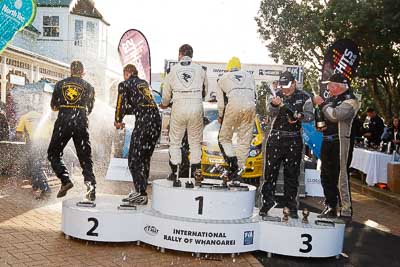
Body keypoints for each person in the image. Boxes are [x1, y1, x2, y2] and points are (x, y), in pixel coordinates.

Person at [260, 71, 313, 218]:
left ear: (294, 83)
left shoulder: (305, 97)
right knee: (270, 173)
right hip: (276, 137)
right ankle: (267, 203)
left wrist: (300, 116)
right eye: (283, 86)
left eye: (288, 86)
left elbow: (310, 116)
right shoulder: (275, 94)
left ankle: (292, 206)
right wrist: (273, 104)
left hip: (294, 139)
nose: (285, 89)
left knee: (292, 175)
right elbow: (269, 112)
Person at [47, 61, 96, 201]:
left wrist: (66, 107)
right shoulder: (89, 87)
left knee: (53, 153)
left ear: (71, 70)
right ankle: (91, 190)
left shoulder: (60, 84)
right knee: (85, 157)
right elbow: (90, 109)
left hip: (63, 121)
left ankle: (65, 179)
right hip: (80, 121)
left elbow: (54, 106)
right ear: (83, 71)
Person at [314, 73, 360, 219]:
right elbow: (326, 118)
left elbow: (335, 115)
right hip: (327, 141)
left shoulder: (351, 101)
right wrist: (320, 125)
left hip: (340, 143)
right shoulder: (331, 99)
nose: (327, 87)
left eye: (330, 85)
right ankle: (330, 206)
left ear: (338, 86)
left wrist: (321, 104)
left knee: (340, 176)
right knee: (325, 175)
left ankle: (346, 210)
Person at [160, 44, 208, 182]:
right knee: (195, 142)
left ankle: (175, 172)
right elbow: (205, 91)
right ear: (192, 55)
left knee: (175, 142)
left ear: (180, 54)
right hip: (196, 106)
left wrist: (164, 104)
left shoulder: (172, 70)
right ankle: (196, 171)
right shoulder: (200, 69)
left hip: (179, 106)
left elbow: (166, 95)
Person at [115, 64, 161, 204]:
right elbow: (138, 104)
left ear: (127, 72)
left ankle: (141, 192)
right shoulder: (144, 84)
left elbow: (120, 104)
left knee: (134, 160)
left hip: (144, 123)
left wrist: (118, 120)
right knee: (144, 158)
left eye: (124, 74)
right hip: (155, 121)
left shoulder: (125, 84)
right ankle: (141, 191)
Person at [216, 57, 256, 181]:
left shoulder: (222, 78)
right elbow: (255, 95)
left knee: (223, 138)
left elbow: (221, 103)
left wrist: (221, 116)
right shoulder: (249, 76)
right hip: (250, 106)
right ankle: (239, 169)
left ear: (228, 68)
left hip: (233, 105)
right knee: (244, 140)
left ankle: (232, 164)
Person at [16, 107, 53, 195]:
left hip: (34, 144)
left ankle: (46, 189)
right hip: (45, 144)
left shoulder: (24, 117)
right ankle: (35, 186)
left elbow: (18, 134)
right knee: (35, 165)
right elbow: (52, 132)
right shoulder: (44, 117)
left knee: (36, 167)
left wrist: (24, 136)